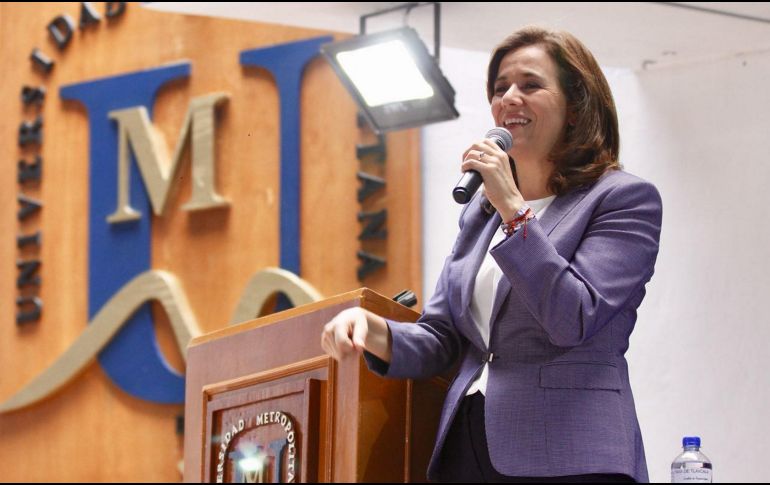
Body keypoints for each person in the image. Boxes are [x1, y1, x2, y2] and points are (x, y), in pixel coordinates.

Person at [321, 26, 661, 483]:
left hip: (569, 453)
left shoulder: (622, 199)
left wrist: (515, 212)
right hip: (470, 444)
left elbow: (572, 317)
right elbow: (443, 336)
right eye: (500, 88)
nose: (509, 98)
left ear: (577, 108)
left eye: (531, 84)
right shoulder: (481, 215)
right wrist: (374, 332)